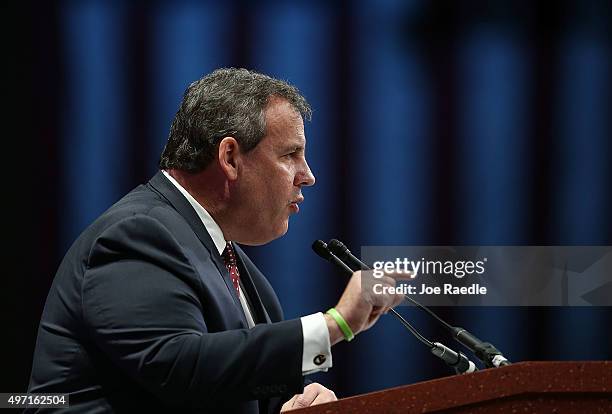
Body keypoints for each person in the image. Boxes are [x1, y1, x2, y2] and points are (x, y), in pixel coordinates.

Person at [27, 68, 404, 413]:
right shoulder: (137, 233)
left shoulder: (244, 274)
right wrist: (335, 324)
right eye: (291, 154)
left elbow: (229, 384)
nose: (308, 176)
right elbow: (178, 366)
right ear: (230, 157)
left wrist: (296, 402)